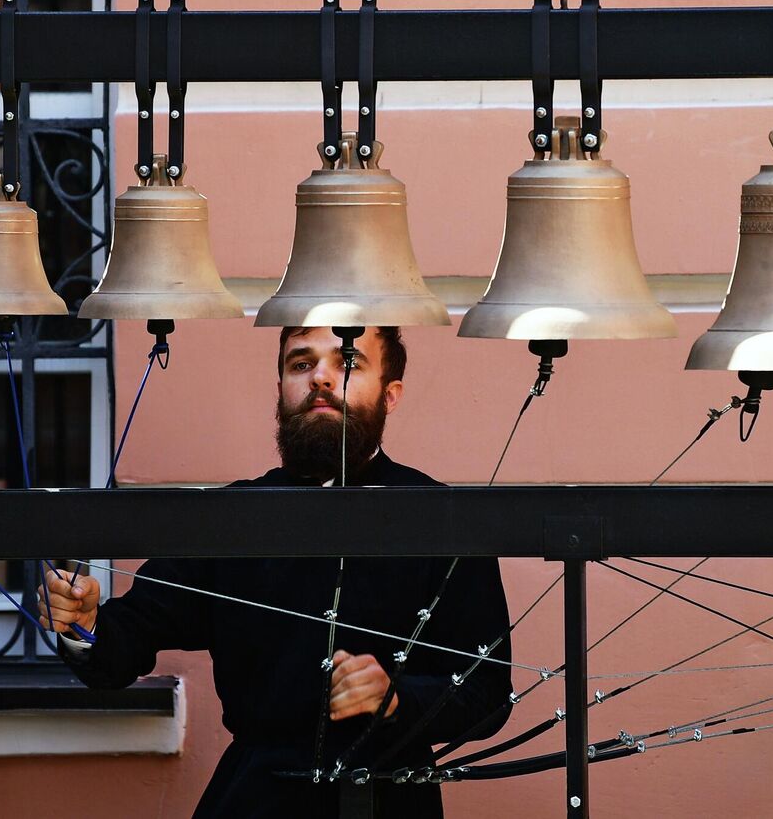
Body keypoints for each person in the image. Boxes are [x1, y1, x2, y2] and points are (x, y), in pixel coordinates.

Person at [42, 325, 513, 818]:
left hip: (392, 802)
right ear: (282, 388)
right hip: (255, 800)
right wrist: (83, 620)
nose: (321, 379)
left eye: (347, 363)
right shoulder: (231, 517)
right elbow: (120, 645)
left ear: (390, 395)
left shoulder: (446, 519)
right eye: (301, 364)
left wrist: (398, 696)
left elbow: (488, 695)